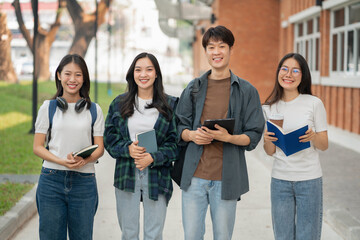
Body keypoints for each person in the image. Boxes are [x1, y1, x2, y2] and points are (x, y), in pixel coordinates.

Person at [176, 25, 265, 239]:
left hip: (227, 179)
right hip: (194, 178)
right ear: (205, 51)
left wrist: (229, 138)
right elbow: (178, 126)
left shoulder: (247, 91)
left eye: (222, 46)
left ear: (230, 49)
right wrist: (192, 135)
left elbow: (253, 135)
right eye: (211, 47)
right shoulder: (193, 87)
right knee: (192, 236)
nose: (217, 52)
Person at [104, 52, 178, 240]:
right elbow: (109, 138)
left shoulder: (170, 105)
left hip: (157, 175)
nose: (143, 74)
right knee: (129, 234)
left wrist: (154, 157)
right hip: (126, 174)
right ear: (132, 74)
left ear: (156, 74)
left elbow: (176, 143)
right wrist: (127, 148)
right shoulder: (119, 103)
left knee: (154, 234)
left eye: (148, 69)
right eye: (138, 70)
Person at [33, 54, 105, 239]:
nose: (72, 79)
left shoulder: (95, 110)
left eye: (78, 75)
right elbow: (38, 147)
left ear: (84, 78)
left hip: (85, 182)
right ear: (59, 75)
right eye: (67, 74)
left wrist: (84, 160)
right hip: (51, 181)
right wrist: (61, 161)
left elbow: (99, 148)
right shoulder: (48, 108)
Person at [262, 53, 328, 240]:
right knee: (282, 236)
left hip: (309, 180)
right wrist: (267, 139)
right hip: (280, 181)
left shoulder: (314, 103)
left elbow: (324, 145)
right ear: (278, 73)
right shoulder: (268, 108)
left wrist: (313, 136)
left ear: (303, 75)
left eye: (295, 70)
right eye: (284, 69)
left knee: (308, 235)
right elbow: (270, 151)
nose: (288, 74)